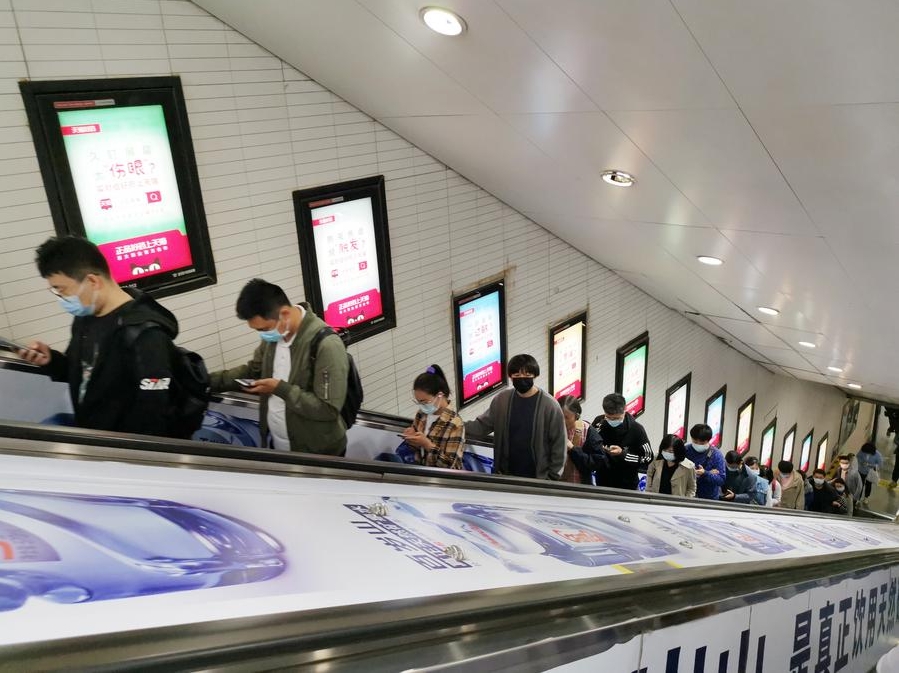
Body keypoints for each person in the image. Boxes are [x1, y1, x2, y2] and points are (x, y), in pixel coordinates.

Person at [19, 236, 179, 437]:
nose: (61, 298)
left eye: (62, 290)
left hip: (121, 450)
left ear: (93, 281)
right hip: (93, 435)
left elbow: (154, 413)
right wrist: (51, 360)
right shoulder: (86, 318)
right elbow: (80, 373)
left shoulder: (145, 333)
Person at [208, 279, 348, 455]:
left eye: (264, 329)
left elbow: (327, 409)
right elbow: (253, 370)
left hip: (318, 452)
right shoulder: (275, 337)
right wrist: (206, 381)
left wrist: (279, 388)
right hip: (279, 445)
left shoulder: (326, 345)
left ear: (285, 313)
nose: (263, 335)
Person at [465, 354, 566, 480]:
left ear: (535, 375)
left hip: (538, 478)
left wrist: (552, 478)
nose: (522, 379)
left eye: (527, 375)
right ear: (510, 376)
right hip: (506, 475)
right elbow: (481, 426)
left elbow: (559, 444)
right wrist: (455, 424)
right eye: (517, 375)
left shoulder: (550, 405)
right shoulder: (502, 400)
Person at [398, 365, 465, 469]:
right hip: (421, 471)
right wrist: (410, 439)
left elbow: (451, 465)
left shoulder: (455, 424)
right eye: (418, 402)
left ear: (440, 395)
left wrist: (428, 445)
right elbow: (416, 450)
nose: (421, 406)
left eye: (424, 402)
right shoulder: (421, 414)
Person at [591, 393, 654, 490]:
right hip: (602, 481)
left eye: (616, 418)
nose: (612, 421)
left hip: (627, 484)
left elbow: (648, 458)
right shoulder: (599, 422)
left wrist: (623, 454)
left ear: (625, 410)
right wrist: (600, 449)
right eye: (608, 417)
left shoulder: (637, 429)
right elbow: (591, 443)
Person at [557, 395, 604, 484]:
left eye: (566, 417)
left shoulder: (587, 431)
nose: (562, 421)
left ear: (577, 416)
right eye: (559, 416)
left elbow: (597, 463)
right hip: (552, 488)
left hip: (579, 489)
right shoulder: (549, 428)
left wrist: (573, 449)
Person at [684, 424, 726, 501]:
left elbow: (721, 480)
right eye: (695, 441)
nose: (698, 444)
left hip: (709, 498)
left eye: (702, 443)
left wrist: (705, 473)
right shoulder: (685, 450)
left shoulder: (716, 455)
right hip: (687, 495)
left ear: (708, 440)